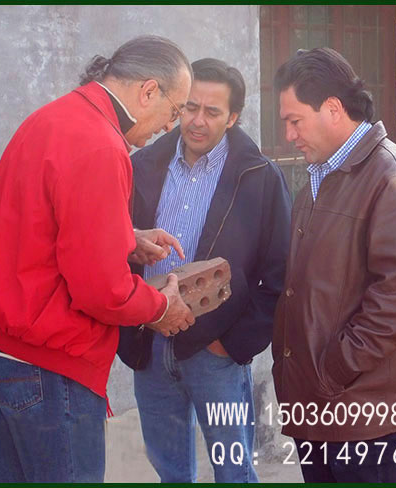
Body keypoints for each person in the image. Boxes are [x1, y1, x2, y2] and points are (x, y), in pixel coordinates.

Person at [0, 35, 196, 483]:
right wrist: (161, 308)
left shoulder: (54, 116)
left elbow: (40, 222)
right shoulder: (101, 144)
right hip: (48, 366)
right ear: (149, 91)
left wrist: (124, 236)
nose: (170, 127)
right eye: (174, 112)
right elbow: (104, 293)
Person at [118, 58, 292, 483]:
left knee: (234, 472)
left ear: (233, 117)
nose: (197, 121)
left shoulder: (260, 177)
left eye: (212, 112)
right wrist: (134, 323)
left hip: (216, 353)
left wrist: (232, 345)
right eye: (190, 107)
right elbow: (117, 245)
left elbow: (281, 274)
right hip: (151, 344)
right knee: (170, 473)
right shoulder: (142, 165)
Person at [271, 47, 396, 483]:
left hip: (364, 412)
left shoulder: (394, 178)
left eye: (295, 121)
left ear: (332, 108)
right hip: (316, 405)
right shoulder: (318, 178)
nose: (289, 135)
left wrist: (334, 370)